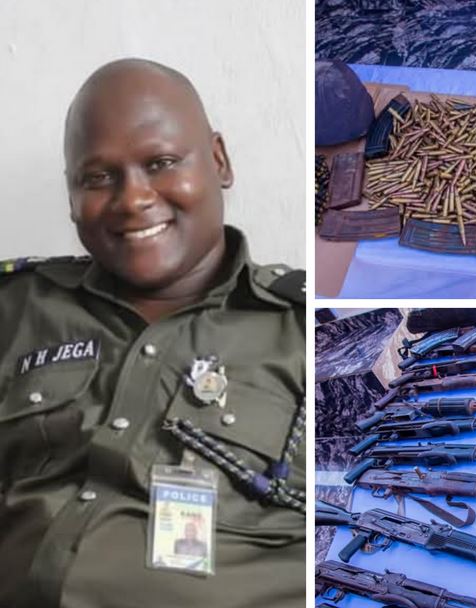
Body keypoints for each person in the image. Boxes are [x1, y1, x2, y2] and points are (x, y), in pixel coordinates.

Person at [0, 58, 305, 608]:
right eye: (98, 177)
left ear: (218, 160)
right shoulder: (18, 308)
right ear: (70, 196)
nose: (133, 198)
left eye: (160, 163)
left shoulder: (307, 332)